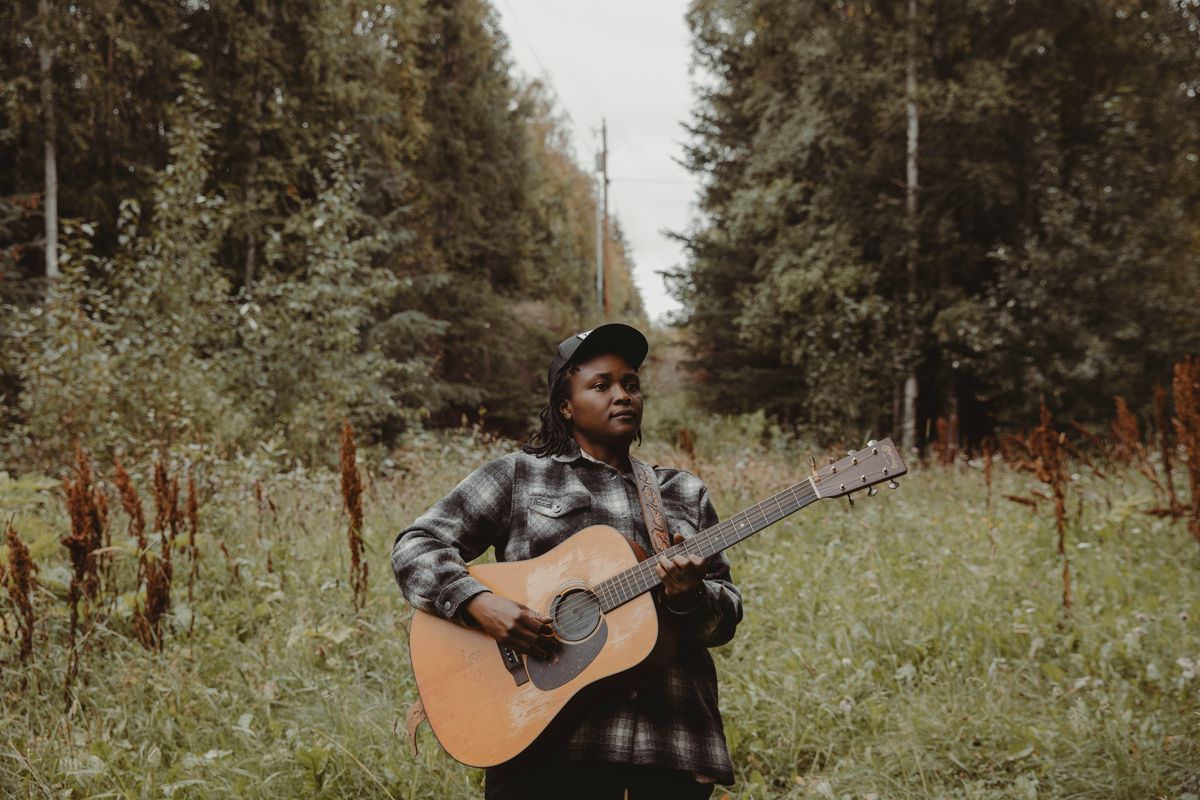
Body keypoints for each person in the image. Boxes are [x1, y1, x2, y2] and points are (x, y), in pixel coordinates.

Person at [391, 323, 742, 799]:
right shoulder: (519, 476)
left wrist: (691, 596)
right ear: (565, 405)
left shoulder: (682, 492)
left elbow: (721, 622)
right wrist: (478, 604)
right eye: (601, 385)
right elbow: (417, 544)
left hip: (669, 741)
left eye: (631, 384)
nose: (622, 395)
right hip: (545, 744)